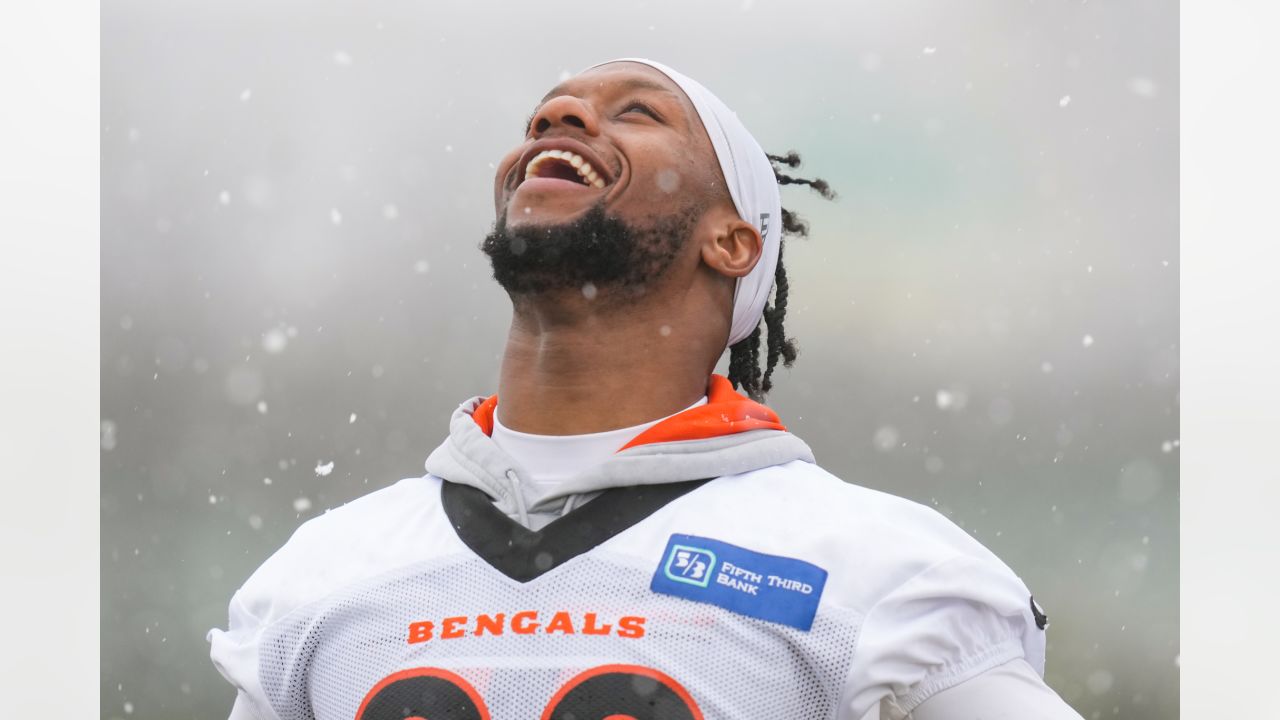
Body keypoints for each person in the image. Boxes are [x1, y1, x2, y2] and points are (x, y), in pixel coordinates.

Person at [208, 58, 1084, 720]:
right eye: (549, 111)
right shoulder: (325, 570)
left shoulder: (876, 570)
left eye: (635, 113)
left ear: (733, 242)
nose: (559, 115)